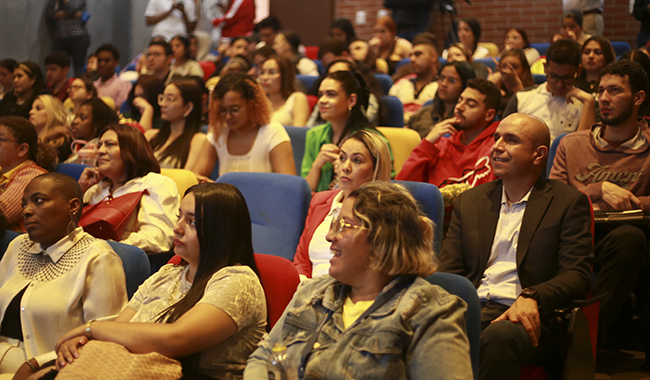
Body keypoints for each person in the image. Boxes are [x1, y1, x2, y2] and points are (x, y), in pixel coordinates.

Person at [245, 181, 473, 379]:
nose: (329, 236)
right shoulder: (312, 292)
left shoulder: (430, 314)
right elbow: (263, 356)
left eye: (344, 226)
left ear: (382, 239)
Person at [439, 113, 594, 379]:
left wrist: (532, 295)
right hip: (472, 307)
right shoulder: (470, 201)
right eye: (496, 137)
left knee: (498, 336)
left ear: (538, 155)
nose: (497, 146)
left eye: (511, 140)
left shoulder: (567, 203)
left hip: (528, 317)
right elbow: (449, 268)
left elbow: (577, 274)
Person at [54, 183, 266, 378]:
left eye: (192, 222)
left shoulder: (238, 281)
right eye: (179, 216)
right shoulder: (167, 274)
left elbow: (174, 340)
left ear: (222, 232)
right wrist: (84, 340)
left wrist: (91, 328)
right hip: (133, 369)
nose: (177, 228)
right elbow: (120, 328)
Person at [549, 60, 650, 359]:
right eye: (600, 90)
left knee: (632, 239)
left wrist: (630, 202)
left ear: (639, 98)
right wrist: (597, 189)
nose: (603, 98)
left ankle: (580, 346)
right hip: (578, 235)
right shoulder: (571, 144)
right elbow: (553, 200)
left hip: (635, 232)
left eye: (615, 90)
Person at [0, 172, 127, 376]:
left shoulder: (98, 258)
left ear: (73, 206)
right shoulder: (18, 246)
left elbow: (105, 336)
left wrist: (37, 363)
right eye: (24, 205)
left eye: (39, 201)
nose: (27, 211)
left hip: (46, 369)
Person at [294, 130, 391, 279]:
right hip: (308, 292)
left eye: (357, 160)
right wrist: (302, 286)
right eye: (342, 158)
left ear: (375, 170)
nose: (346, 167)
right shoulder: (320, 201)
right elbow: (301, 261)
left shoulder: (384, 211)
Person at [79, 124, 180, 254]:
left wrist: (106, 247)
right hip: (85, 257)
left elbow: (158, 238)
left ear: (132, 150)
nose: (100, 151)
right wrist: (80, 189)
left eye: (109, 144)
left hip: (123, 262)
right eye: (99, 145)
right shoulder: (96, 187)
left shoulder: (155, 183)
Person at [398, 78, 501, 191]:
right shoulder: (440, 145)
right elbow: (403, 186)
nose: (459, 107)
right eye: (459, 100)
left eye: (470, 104)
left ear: (489, 115)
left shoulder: (497, 149)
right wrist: (427, 144)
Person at [302, 70, 392, 193]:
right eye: (320, 94)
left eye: (331, 94)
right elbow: (306, 192)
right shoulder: (314, 135)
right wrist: (317, 165)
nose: (322, 100)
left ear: (351, 101)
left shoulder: (374, 140)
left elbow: (385, 187)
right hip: (320, 206)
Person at [192, 72, 296, 179]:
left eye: (235, 110)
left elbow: (288, 185)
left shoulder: (273, 131)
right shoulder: (218, 132)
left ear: (252, 104)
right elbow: (197, 175)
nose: (228, 116)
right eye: (223, 110)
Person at [503, 39, 595, 143]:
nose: (559, 84)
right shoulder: (521, 97)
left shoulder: (585, 104)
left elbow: (584, 147)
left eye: (567, 78)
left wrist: (588, 102)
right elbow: (502, 138)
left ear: (578, 71)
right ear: (545, 68)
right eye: (553, 76)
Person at [0, 116, 54, 232]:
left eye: (1, 139)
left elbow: (2, 214)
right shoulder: (2, 171)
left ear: (22, 149)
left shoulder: (31, 176)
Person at [146, 78, 207, 169]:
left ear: (188, 107)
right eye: (162, 98)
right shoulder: (150, 135)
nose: (163, 104)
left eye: (170, 99)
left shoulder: (198, 140)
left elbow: (187, 176)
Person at [406, 61, 476, 138]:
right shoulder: (424, 112)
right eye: (441, 78)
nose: (444, 84)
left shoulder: (464, 121)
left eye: (452, 81)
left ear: (465, 86)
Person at [388, 32, 440, 122]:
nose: (412, 59)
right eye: (411, 55)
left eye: (418, 54)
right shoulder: (401, 83)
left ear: (433, 57)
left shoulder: (442, 87)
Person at [259, 55, 309, 127]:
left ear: (285, 76)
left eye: (272, 72)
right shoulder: (258, 102)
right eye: (262, 72)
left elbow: (299, 134)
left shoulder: (297, 98)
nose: (265, 77)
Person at [66, 98, 119, 163]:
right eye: (75, 117)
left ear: (96, 123)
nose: (74, 121)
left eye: (82, 118)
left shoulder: (101, 151)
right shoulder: (70, 142)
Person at [45, 0, 91, 75]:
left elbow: (71, 9)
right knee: (55, 64)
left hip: (77, 36)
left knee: (79, 68)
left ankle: (79, 85)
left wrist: (62, 12)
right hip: (60, 37)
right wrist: (70, 14)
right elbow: (50, 14)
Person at [488, 48, 535, 114]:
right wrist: (490, 86)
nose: (508, 71)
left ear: (524, 70)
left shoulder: (533, 92)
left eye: (514, 67)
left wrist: (516, 85)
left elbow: (527, 112)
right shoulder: (495, 90)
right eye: (504, 67)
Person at [28, 94, 72, 163]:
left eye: (38, 108)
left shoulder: (61, 140)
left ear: (51, 112)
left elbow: (47, 166)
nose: (31, 112)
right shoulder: (28, 140)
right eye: (31, 108)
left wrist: (46, 140)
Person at [93, 44, 132, 109]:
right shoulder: (93, 85)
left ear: (116, 63)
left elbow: (122, 110)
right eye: (99, 61)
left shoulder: (122, 84)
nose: (102, 64)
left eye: (107, 61)